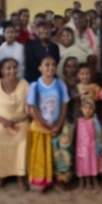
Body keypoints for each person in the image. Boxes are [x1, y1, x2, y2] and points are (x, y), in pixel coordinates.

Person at [26, 56, 71, 192]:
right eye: (46, 65)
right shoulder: (35, 86)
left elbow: (64, 105)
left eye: (53, 64)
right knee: (42, 155)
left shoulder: (60, 84)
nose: (50, 67)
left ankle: (60, 180)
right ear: (40, 68)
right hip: (41, 125)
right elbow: (32, 108)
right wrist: (45, 125)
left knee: (60, 154)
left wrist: (58, 125)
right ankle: (42, 181)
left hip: (57, 123)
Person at [0, 58, 30, 191]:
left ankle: (20, 176)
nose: (12, 71)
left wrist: (18, 120)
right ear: (2, 71)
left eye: (14, 67)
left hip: (20, 122)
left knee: (22, 140)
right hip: (1, 122)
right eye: (8, 68)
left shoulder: (24, 84)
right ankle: (1, 176)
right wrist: (5, 122)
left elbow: (29, 108)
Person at [75, 98, 102, 191]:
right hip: (81, 148)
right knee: (82, 164)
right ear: (81, 109)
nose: (88, 110)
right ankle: (83, 183)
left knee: (92, 164)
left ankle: (94, 183)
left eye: (90, 108)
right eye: (85, 108)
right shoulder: (79, 121)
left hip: (92, 148)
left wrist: (100, 145)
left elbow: (99, 134)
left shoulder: (94, 121)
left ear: (94, 110)